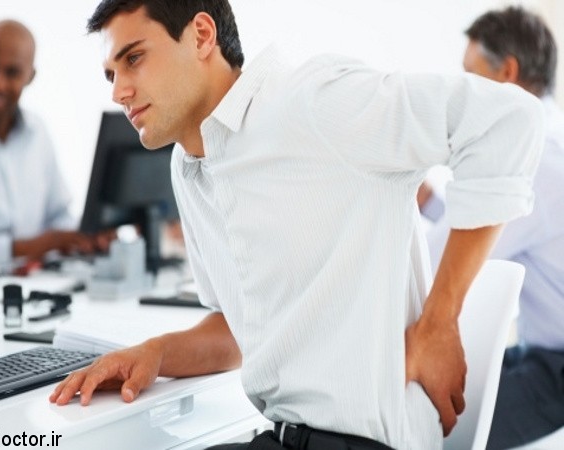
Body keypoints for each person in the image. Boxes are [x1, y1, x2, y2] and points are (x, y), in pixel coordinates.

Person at [49, 1, 545, 448]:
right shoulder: (191, 167)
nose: (119, 91)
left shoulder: (314, 101)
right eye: (110, 74)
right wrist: (155, 353)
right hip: (283, 436)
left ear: (201, 35)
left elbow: (510, 120)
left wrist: (439, 323)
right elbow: (240, 332)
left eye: (134, 58)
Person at [419, 6, 564, 449]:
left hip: (556, 370)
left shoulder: (534, 160)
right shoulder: (550, 140)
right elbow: (486, 229)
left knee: (430, 422)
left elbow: (436, 259)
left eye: (470, 75)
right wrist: (428, 202)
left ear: (507, 73)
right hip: (542, 352)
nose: (463, 91)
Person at [0, 20, 100, 273]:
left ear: (30, 77)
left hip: (36, 280)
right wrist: (28, 247)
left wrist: (83, 236)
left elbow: (59, 214)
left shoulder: (38, 132)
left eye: (12, 72)